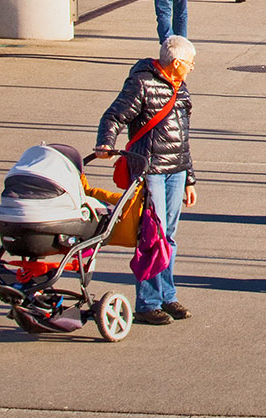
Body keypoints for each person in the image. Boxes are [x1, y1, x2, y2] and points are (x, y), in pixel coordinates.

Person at [93, 35, 198, 326]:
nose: (192, 68)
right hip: (149, 170)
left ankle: (167, 294)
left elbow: (183, 138)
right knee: (151, 237)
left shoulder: (181, 87)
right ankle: (148, 302)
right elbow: (114, 116)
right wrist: (105, 142)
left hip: (176, 169)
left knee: (169, 236)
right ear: (176, 64)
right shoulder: (141, 83)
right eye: (189, 63)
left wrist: (189, 178)